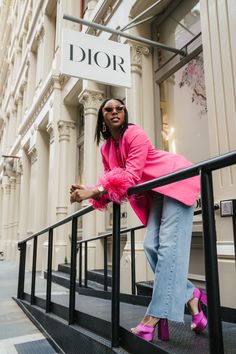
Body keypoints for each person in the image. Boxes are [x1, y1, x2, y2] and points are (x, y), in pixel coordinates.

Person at [70, 98, 207, 342]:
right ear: (102, 116)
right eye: (108, 109)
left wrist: (93, 191)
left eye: (119, 108)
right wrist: (91, 189)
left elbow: (130, 176)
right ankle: (192, 295)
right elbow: (113, 181)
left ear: (125, 112)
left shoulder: (135, 134)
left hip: (175, 179)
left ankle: (151, 318)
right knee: (150, 246)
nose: (114, 112)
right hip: (156, 192)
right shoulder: (106, 149)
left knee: (167, 246)